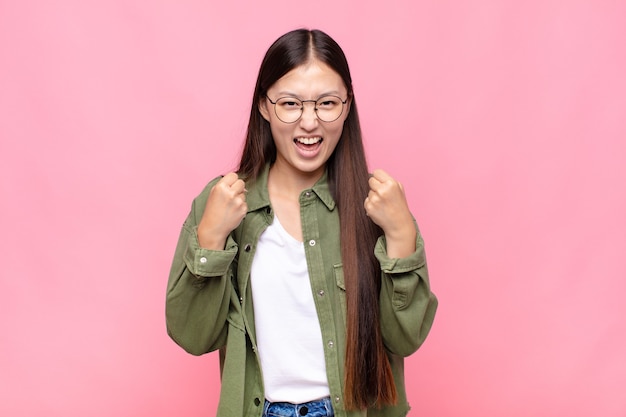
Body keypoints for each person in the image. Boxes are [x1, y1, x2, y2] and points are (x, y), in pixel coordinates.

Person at [166, 28, 438, 417]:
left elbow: (405, 338)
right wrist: (210, 238)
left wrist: (400, 235)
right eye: (290, 103)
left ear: (347, 107)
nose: (309, 122)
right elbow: (192, 336)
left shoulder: (377, 205)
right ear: (264, 106)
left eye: (326, 103)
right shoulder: (223, 202)